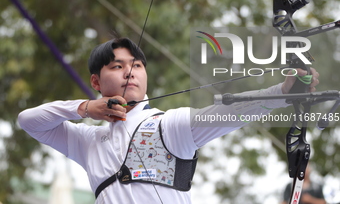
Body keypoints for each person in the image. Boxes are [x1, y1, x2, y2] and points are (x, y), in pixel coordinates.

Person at [18, 37, 320, 204]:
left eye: (136, 65)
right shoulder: (88, 142)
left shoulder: (167, 125)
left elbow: (231, 113)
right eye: (117, 66)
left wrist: (283, 91)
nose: (129, 72)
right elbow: (28, 120)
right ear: (96, 81)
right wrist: (85, 108)